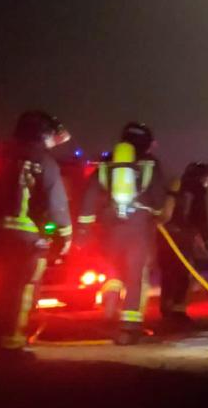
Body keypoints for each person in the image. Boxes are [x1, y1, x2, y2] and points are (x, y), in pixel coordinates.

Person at [0, 110, 73, 362]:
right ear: (42, 134)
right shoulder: (44, 161)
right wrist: (64, 237)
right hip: (26, 239)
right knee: (21, 291)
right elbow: (56, 204)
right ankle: (11, 345)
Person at [77, 122, 178, 344]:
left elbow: (90, 194)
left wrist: (83, 227)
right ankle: (129, 327)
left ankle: (111, 301)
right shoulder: (150, 163)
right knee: (135, 274)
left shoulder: (106, 162)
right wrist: (158, 212)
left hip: (111, 226)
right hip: (139, 225)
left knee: (113, 268)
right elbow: (160, 200)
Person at [157, 161, 208, 326]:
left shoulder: (175, 186)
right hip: (183, 237)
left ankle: (165, 307)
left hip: (164, 235)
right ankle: (178, 310)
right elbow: (200, 217)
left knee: (167, 272)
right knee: (184, 273)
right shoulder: (197, 190)